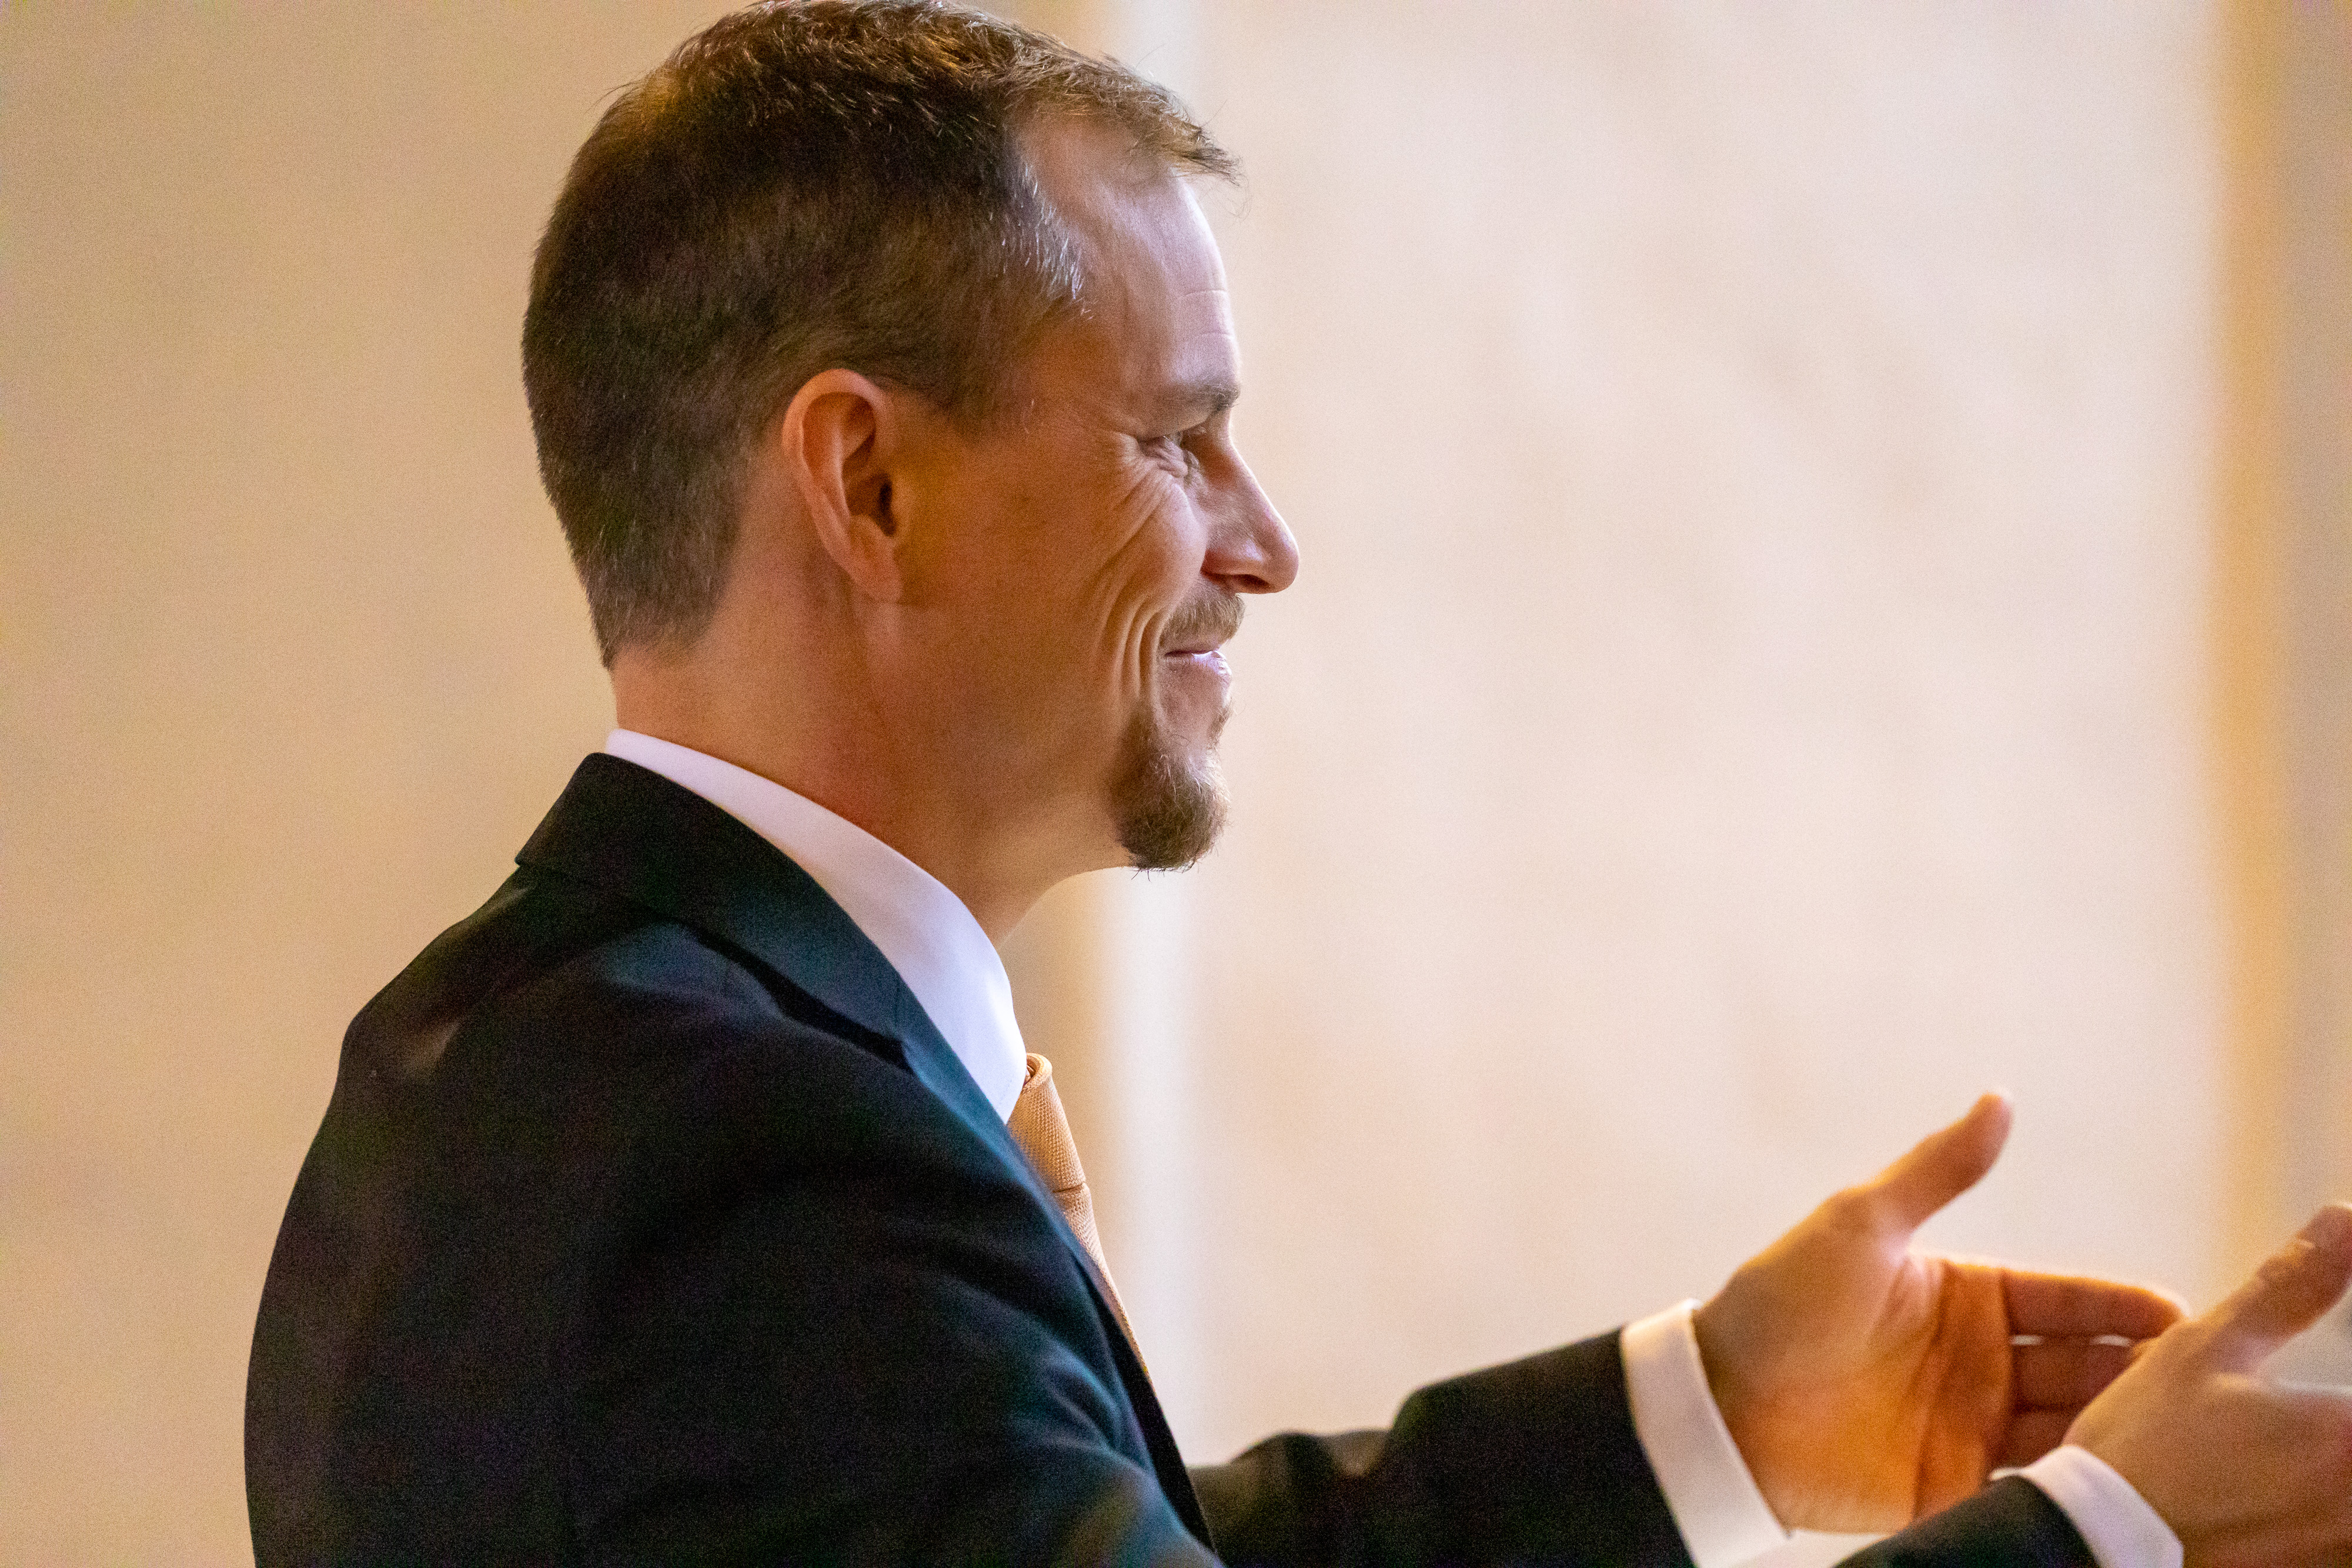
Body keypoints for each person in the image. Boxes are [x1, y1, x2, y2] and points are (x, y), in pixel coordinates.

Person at [245, 4, 2352, 1563]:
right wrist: (2105, 1532)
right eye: (1176, 438)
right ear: (869, 484)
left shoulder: (521, 1045)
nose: (1261, 544)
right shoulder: (758, 1169)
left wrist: (1711, 1412)